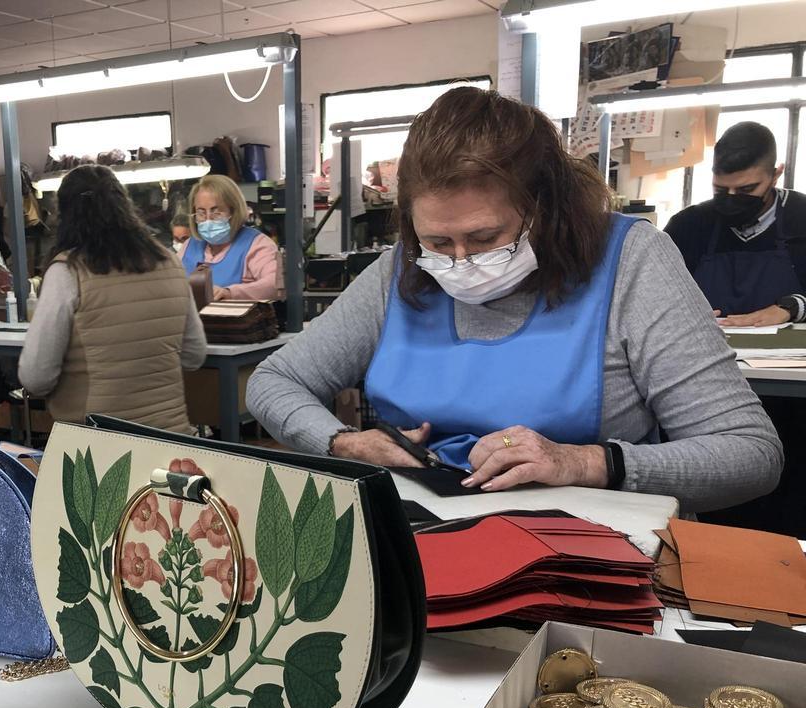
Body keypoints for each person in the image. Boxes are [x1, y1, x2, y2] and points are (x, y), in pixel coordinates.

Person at [247, 87, 783, 514]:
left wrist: (586, 463)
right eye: (437, 242)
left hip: (589, 553)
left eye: (484, 239)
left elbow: (750, 453)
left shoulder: (631, 263)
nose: (459, 261)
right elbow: (274, 382)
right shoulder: (399, 272)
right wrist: (341, 443)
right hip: (418, 541)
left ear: (544, 208)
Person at [19, 165, 206, 433]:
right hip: (172, 442)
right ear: (124, 204)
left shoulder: (68, 272)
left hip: (98, 451)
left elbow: (35, 378)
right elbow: (194, 356)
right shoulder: (169, 261)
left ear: (66, 214)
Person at [666, 121, 806, 326]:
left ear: (775, 175)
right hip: (705, 349)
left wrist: (793, 307)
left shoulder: (800, 216)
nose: (731, 198)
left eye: (746, 190)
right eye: (721, 190)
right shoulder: (687, 225)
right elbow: (651, 294)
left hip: (788, 355)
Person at [179, 174, 280, 301]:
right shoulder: (189, 245)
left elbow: (275, 285)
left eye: (216, 212)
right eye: (201, 213)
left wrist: (230, 293)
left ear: (233, 211)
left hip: (238, 320)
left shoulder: (257, 244)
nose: (208, 219)